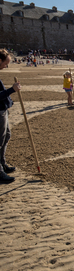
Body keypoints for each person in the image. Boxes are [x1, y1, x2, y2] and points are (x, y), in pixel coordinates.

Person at [0, 49, 21, 183]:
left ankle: (2, 164)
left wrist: (9, 101)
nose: (6, 66)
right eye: (5, 63)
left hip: (3, 110)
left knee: (6, 136)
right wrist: (11, 90)